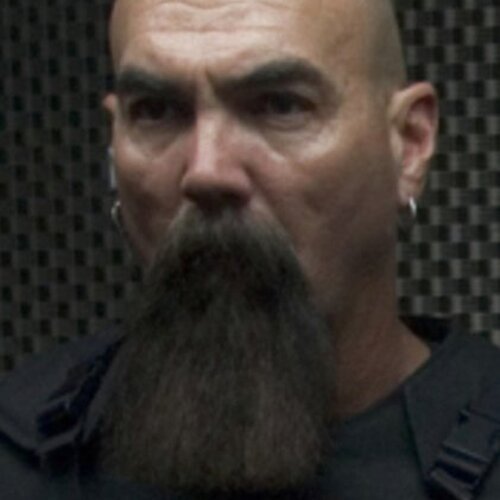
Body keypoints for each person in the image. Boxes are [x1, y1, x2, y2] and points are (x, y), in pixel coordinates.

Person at [1, 0, 500, 498]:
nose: (206, 171)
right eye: (155, 111)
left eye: (280, 106)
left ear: (409, 144)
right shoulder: (18, 454)